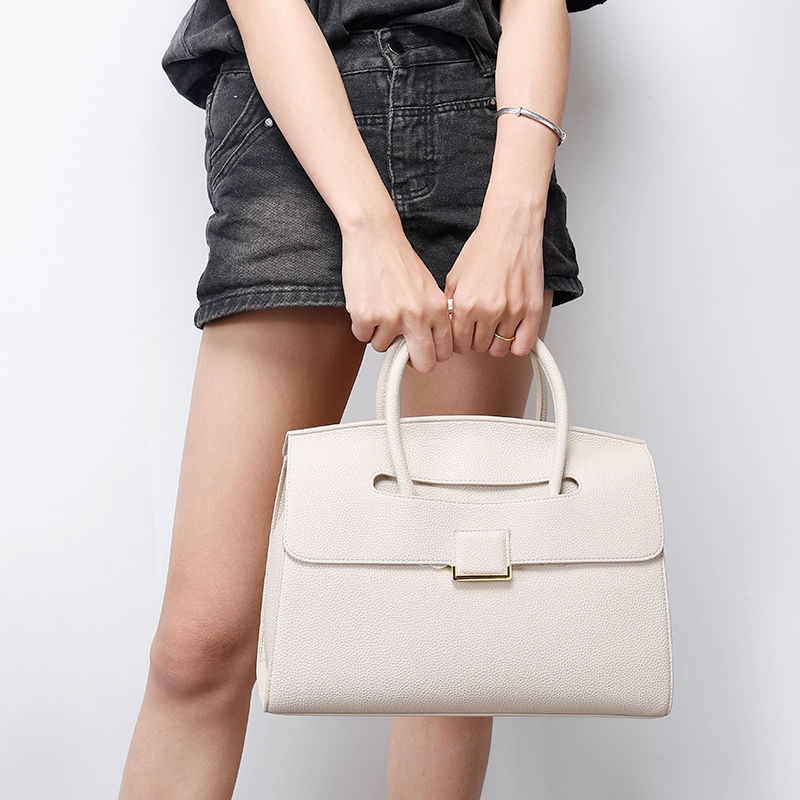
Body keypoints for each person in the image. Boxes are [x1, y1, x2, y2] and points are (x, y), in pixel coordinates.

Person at [119, 0, 602, 796]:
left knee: (447, 652)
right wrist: (369, 226)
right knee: (198, 648)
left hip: (478, 139)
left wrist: (515, 216)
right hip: (287, 134)